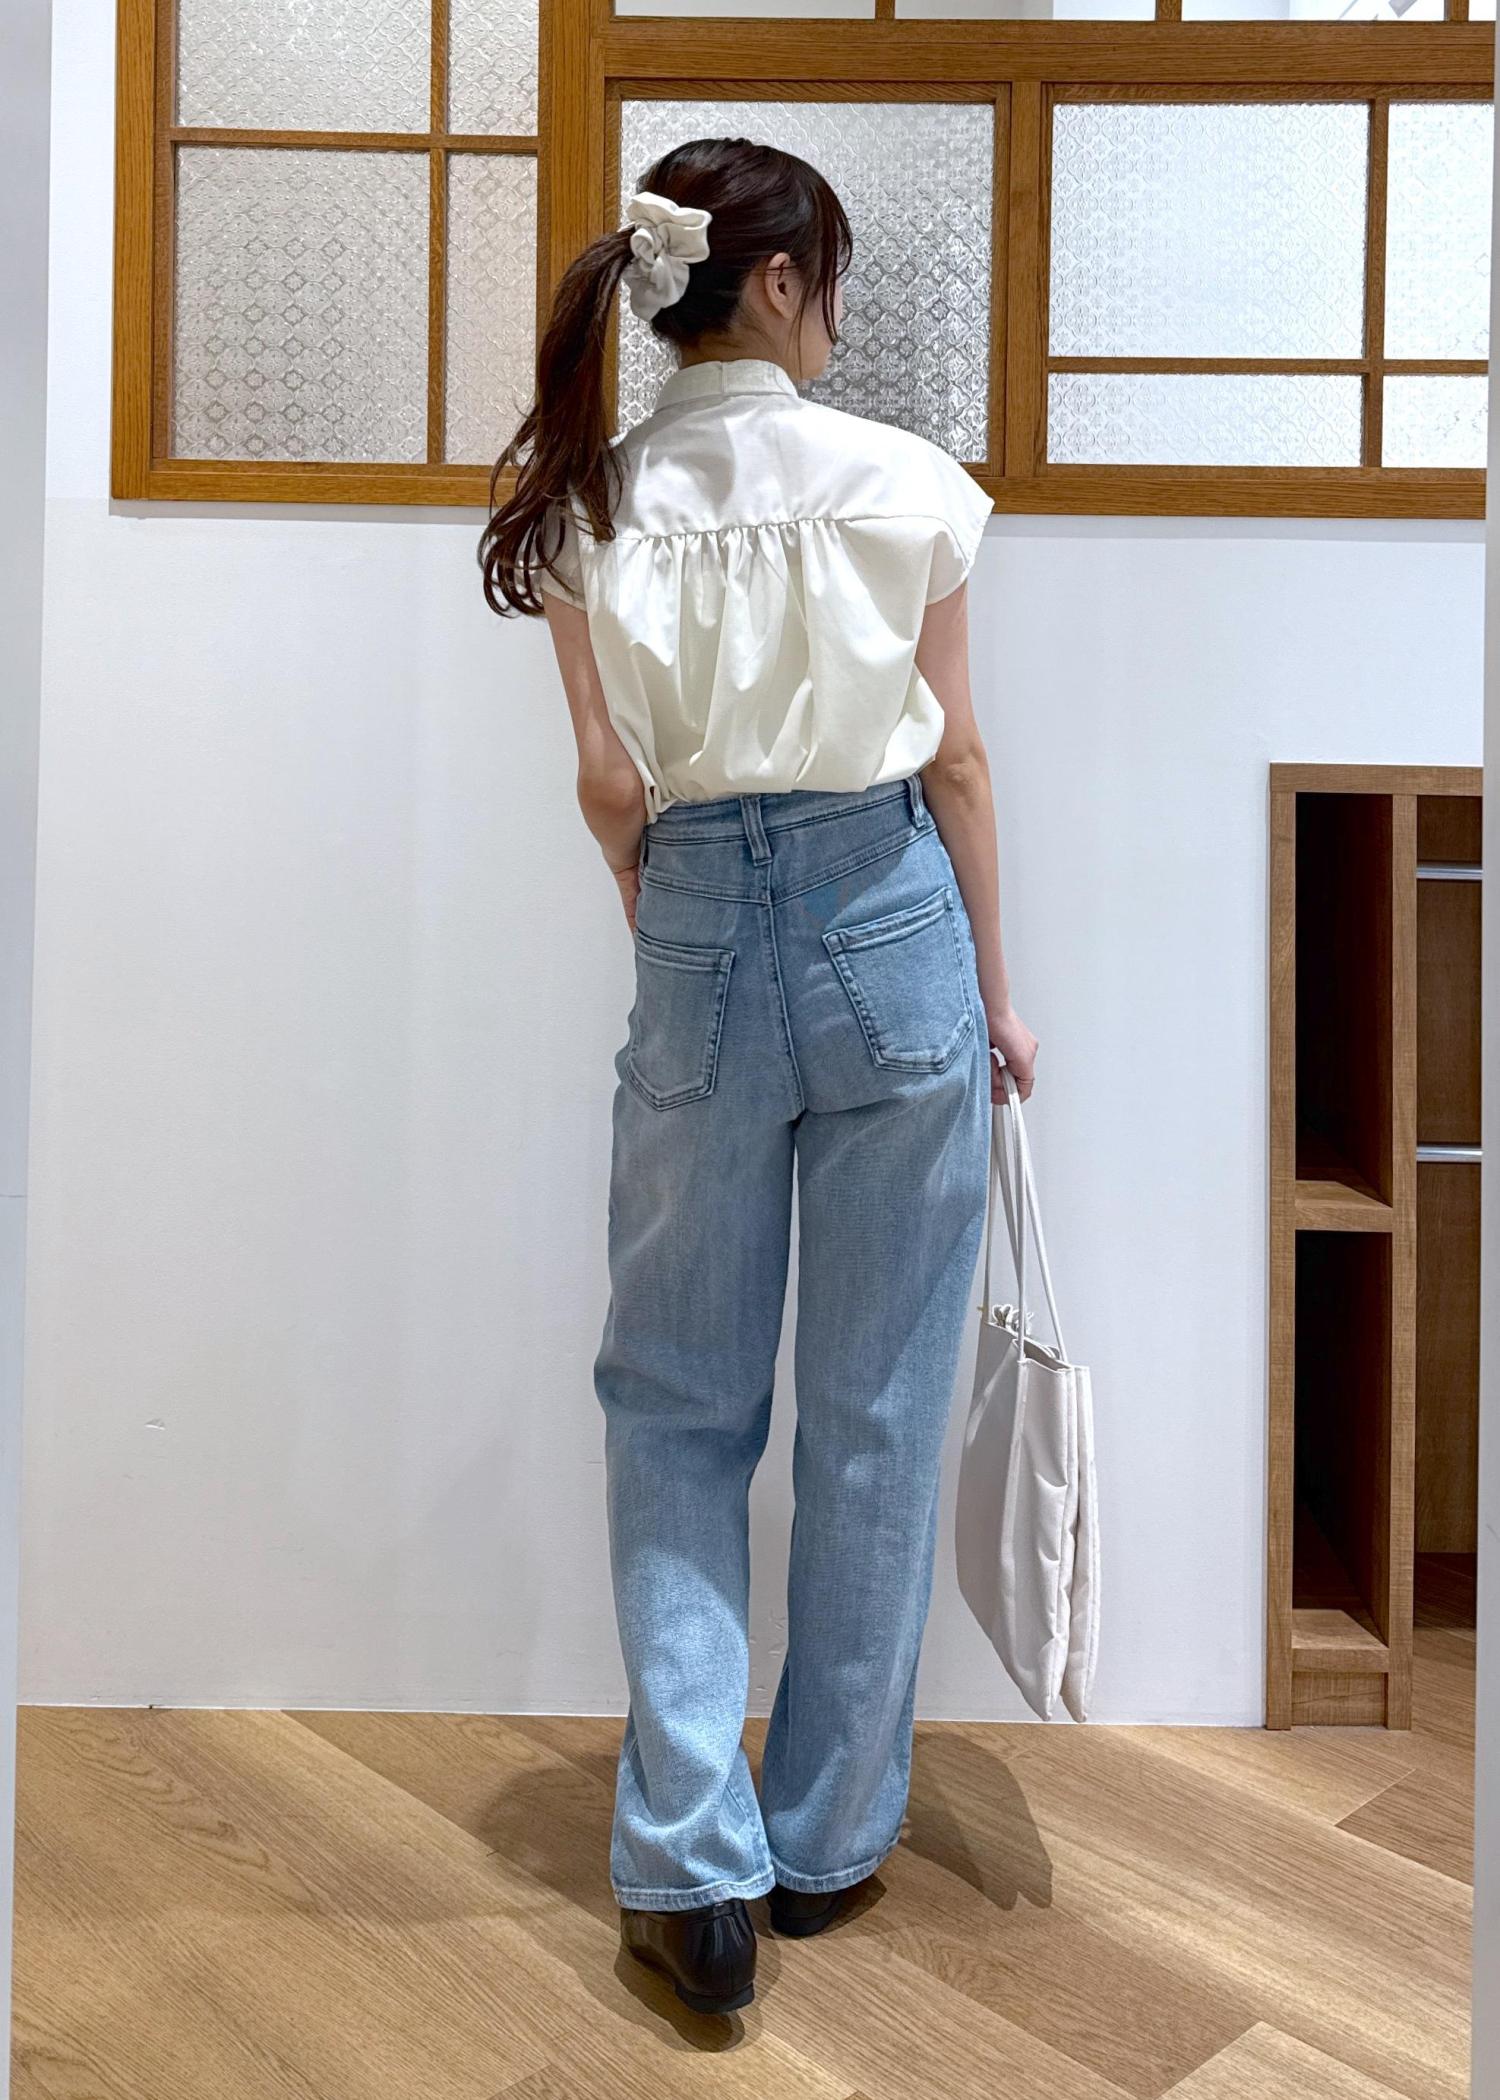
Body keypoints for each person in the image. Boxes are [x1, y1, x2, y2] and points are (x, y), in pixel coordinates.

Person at [478, 136, 1038, 2017]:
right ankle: (824, 1841)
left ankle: (690, 1869)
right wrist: (996, 995)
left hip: (703, 921)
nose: (837, 318)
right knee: (877, 1407)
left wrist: (681, 928)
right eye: (833, 282)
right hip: (893, 920)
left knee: (675, 1402)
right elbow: (957, 764)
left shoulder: (589, 496)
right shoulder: (906, 482)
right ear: (784, 281)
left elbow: (608, 785)